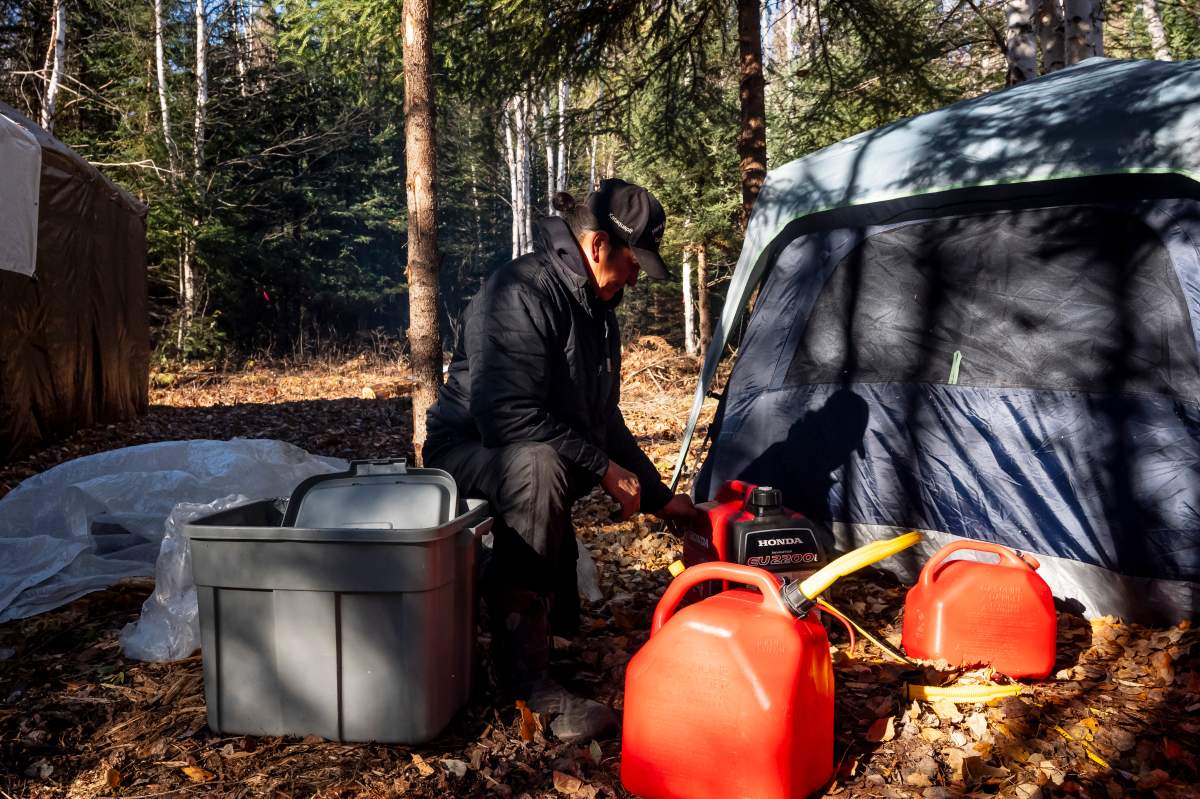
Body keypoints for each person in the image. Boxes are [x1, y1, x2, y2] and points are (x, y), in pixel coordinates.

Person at [425, 179, 698, 741]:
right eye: (632, 261)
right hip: (467, 450)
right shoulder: (519, 293)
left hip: (529, 448)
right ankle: (526, 685)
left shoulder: (597, 310)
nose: (636, 275)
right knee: (539, 467)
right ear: (598, 247)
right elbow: (505, 417)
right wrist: (601, 467)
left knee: (547, 460)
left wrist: (659, 496)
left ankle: (544, 622)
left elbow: (604, 419)